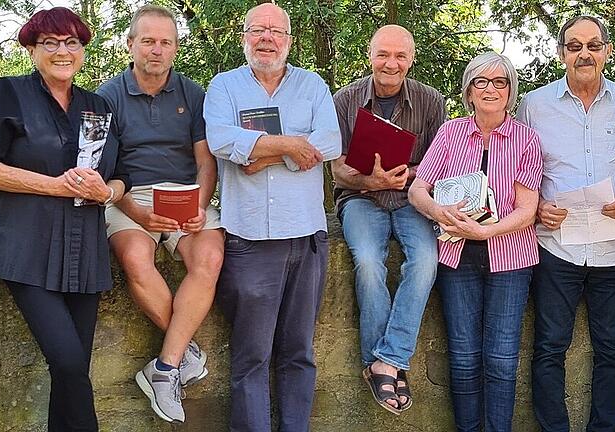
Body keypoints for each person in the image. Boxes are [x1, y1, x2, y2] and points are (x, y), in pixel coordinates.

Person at [0, 8, 130, 431]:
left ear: (82, 50)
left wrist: (107, 192)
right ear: (31, 48)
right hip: (25, 247)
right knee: (70, 362)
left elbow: (122, 176)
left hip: (84, 254)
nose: (63, 51)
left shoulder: (98, 105)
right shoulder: (9, 93)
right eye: (50, 43)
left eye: (72, 42)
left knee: (71, 372)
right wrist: (54, 185)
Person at [203, 3, 341, 431]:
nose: (267, 38)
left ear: (288, 40)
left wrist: (266, 154)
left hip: (306, 238)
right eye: (257, 30)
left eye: (275, 31)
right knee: (252, 355)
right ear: (244, 36)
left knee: (299, 352)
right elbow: (221, 140)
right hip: (249, 240)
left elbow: (331, 142)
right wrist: (291, 147)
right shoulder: (224, 87)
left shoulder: (312, 84)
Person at [516, 15, 615, 432]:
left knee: (612, 350)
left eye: (593, 45)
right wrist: (535, 209)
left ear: (607, 51)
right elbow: (513, 169)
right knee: (550, 348)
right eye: (574, 46)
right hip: (557, 247)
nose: (584, 53)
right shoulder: (534, 106)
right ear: (561, 54)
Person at [96, 5, 223, 424]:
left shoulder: (193, 93)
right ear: (130, 44)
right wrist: (137, 212)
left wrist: (201, 205)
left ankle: (164, 367)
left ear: (175, 48)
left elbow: (206, 162)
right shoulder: (106, 96)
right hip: (128, 196)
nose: (156, 49)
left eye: (165, 42)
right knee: (134, 258)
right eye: (148, 41)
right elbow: (103, 171)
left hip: (187, 196)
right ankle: (182, 354)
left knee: (209, 258)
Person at [409, 51, 542, 432]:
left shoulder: (526, 139)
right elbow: (419, 189)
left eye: (500, 81)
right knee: (464, 357)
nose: (490, 89)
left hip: (510, 259)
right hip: (456, 257)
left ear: (510, 90)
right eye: (481, 81)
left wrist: (486, 231)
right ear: (468, 91)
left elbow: (527, 209)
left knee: (501, 359)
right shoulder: (451, 133)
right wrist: (437, 211)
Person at [331, 24, 445, 414]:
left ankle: (388, 359)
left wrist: (405, 175)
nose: (390, 63)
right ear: (370, 55)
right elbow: (336, 167)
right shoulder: (344, 99)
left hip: (412, 198)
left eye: (399, 56)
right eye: (383, 54)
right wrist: (369, 179)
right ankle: (384, 363)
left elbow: (439, 160)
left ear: (411, 60)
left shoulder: (430, 101)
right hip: (360, 198)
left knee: (427, 260)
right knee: (366, 262)